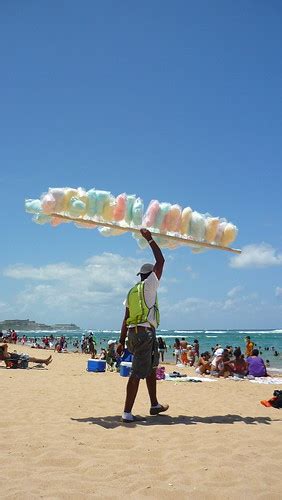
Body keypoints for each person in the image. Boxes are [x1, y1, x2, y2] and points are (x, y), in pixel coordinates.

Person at [117, 228, 169, 423]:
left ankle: (154, 405)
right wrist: (150, 239)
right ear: (150, 276)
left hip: (133, 333)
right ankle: (127, 413)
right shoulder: (150, 285)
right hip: (145, 334)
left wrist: (121, 341)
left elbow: (125, 318)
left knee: (150, 368)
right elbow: (161, 261)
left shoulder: (132, 292)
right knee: (137, 372)